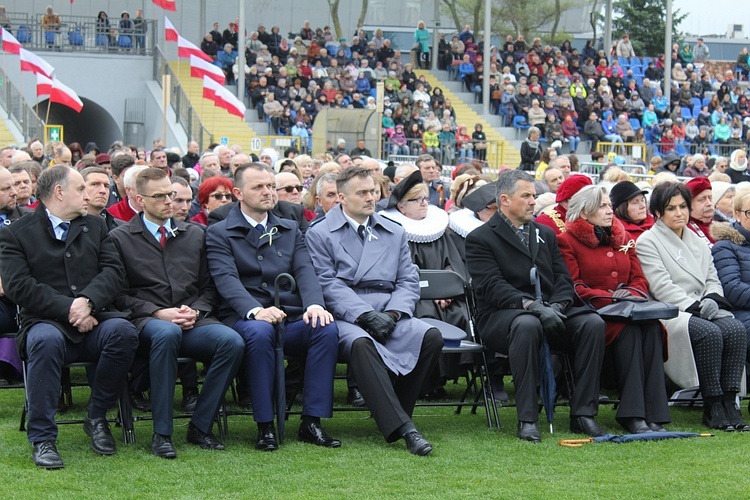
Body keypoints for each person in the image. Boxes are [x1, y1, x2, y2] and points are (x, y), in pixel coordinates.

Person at [0, 166, 138, 469]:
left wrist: (87, 302)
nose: (88, 195)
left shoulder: (97, 226)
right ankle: (43, 438)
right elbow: (18, 286)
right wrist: (70, 308)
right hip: (46, 323)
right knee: (46, 341)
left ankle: (96, 416)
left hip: (95, 320)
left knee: (124, 332)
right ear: (59, 192)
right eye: (81, 189)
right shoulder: (15, 233)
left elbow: (113, 272)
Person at [305, 167, 443, 455]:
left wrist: (393, 314)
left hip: (390, 311)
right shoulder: (319, 233)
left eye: (374, 191)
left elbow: (408, 279)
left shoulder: (394, 230)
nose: (372, 198)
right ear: (342, 197)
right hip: (346, 315)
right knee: (361, 343)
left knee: (430, 335)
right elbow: (326, 282)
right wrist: (365, 315)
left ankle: (399, 412)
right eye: (363, 193)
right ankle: (405, 429)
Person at [109, 168, 243, 458]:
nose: (169, 201)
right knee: (167, 333)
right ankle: (162, 433)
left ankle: (201, 426)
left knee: (231, 341)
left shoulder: (196, 234)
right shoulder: (120, 238)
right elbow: (117, 294)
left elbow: (210, 288)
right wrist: (158, 313)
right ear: (140, 200)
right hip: (147, 322)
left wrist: (194, 310)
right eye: (159, 196)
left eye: (171, 194)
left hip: (192, 319)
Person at [206, 163, 340, 451]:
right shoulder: (219, 232)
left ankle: (312, 421)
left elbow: (305, 271)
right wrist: (256, 311)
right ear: (238, 193)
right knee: (260, 333)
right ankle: (264, 425)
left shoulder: (290, 228)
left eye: (269, 185)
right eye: (258, 187)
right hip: (245, 318)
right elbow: (226, 280)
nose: (267, 192)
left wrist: (315, 305)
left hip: (289, 316)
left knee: (324, 328)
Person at [466, 169, 606, 442]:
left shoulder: (546, 234)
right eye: (526, 196)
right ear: (505, 200)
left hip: (550, 311)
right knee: (528, 324)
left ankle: (583, 414)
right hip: (502, 316)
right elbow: (492, 287)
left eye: (535, 196)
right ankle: (528, 418)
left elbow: (563, 279)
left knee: (592, 323)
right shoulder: (480, 238)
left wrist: (557, 306)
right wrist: (532, 305)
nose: (533, 201)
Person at [558, 185, 670, 434]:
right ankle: (632, 414)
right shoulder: (566, 241)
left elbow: (639, 279)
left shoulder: (624, 240)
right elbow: (575, 286)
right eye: (602, 206)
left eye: (609, 205)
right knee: (627, 330)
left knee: (652, 327)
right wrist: (610, 298)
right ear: (585, 213)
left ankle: (655, 414)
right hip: (595, 313)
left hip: (631, 307)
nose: (609, 211)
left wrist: (631, 294)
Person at [636, 182, 747, 431]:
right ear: (657, 213)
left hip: (705, 305)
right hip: (673, 312)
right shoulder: (648, 241)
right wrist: (696, 306)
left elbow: (712, 278)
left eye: (683, 206)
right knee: (710, 333)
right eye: (671, 208)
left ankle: (730, 401)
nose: (679, 213)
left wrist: (712, 299)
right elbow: (662, 287)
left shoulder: (697, 239)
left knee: (736, 329)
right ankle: (712, 404)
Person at [381, 171, 470, 399]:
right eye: (417, 200)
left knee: (458, 313)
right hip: (412, 298)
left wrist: (447, 290)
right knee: (425, 315)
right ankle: (422, 381)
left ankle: (440, 380)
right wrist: (430, 291)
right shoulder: (393, 231)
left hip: (444, 298)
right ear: (401, 207)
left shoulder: (438, 230)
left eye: (425, 198)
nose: (424, 204)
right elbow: (398, 272)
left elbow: (453, 263)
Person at [685, 177, 717, 245]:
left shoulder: (721, 227)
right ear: (689, 204)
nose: (709, 203)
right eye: (702, 199)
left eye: (710, 198)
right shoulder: (685, 230)